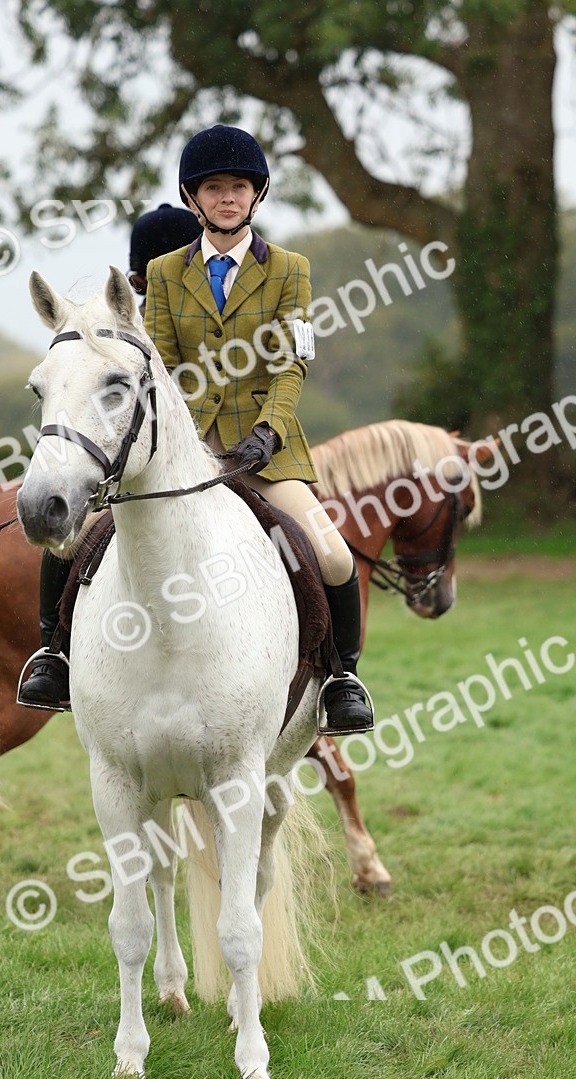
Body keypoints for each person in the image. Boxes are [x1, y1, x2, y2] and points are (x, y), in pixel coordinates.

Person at [144, 124, 373, 734]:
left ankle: (343, 679)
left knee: (332, 554)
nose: (227, 198)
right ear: (193, 198)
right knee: (89, 533)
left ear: (257, 194)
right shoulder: (164, 273)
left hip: (265, 450)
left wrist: (270, 431)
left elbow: (292, 362)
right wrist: (181, 439)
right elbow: (160, 364)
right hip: (185, 449)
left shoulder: (290, 269)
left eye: (238, 187)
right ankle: (56, 654)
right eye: (214, 188)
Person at [18, 203, 200, 710]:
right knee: (68, 543)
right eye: (148, 278)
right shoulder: (121, 326)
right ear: (136, 280)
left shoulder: (213, 305)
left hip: (245, 451)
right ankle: (53, 652)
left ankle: (335, 672)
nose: (159, 284)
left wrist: (261, 435)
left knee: (322, 549)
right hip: (148, 466)